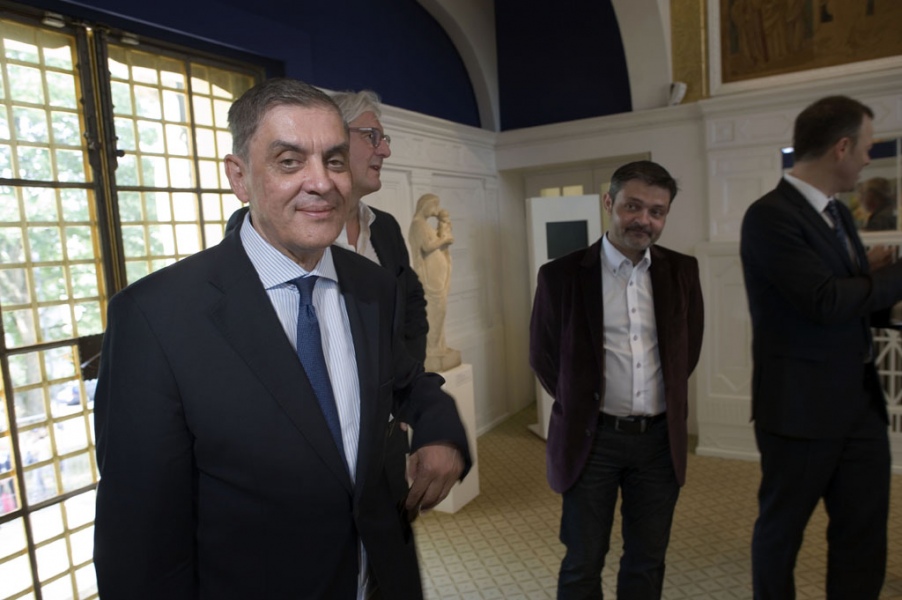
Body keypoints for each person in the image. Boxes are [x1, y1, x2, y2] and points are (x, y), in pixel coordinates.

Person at [93, 78, 470, 600]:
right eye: (289, 162)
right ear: (240, 177)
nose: (322, 182)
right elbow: (139, 539)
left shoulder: (373, 288)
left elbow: (405, 379)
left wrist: (442, 430)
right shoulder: (154, 317)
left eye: (334, 161)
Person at [741, 95, 902, 599]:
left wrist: (886, 305)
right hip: (799, 410)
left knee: (862, 535)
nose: (869, 159)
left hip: (861, 406)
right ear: (842, 147)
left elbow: (848, 299)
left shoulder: (840, 213)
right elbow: (825, 301)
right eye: (868, 147)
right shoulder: (769, 216)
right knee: (782, 533)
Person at [529, 160, 704, 599]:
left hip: (659, 443)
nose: (644, 220)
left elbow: (687, 351)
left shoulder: (683, 271)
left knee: (647, 560)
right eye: (633, 206)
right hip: (593, 441)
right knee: (583, 560)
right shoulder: (561, 275)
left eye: (657, 211)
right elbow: (544, 355)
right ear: (609, 203)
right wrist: (582, 403)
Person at [409, 193, 460, 373]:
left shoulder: (425, 225)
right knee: (434, 312)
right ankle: (432, 348)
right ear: (425, 206)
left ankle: (439, 346)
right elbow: (427, 247)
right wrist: (443, 240)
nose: (436, 210)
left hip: (436, 277)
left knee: (440, 311)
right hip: (429, 278)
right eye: (434, 205)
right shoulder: (418, 225)